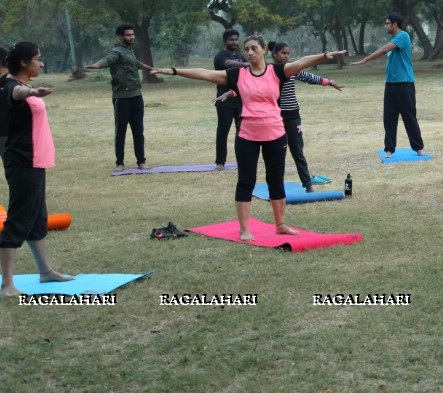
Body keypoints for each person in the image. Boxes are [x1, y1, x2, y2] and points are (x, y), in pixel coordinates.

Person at [152, 37, 347, 240]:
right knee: (246, 181)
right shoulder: (237, 74)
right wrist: (174, 71)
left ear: (264, 50)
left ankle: (280, 225)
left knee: (276, 180)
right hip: (247, 135)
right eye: (247, 49)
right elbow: (205, 74)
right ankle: (244, 229)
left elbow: (301, 63)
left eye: (254, 48)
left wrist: (324, 56)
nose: (250, 52)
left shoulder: (277, 71)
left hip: (275, 134)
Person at [1, 42, 73, 297]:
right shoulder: (12, 87)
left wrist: (32, 91)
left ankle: (46, 271)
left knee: (37, 216)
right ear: (23, 62)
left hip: (36, 160)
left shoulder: (21, 86)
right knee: (19, 218)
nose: (41, 63)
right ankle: (7, 284)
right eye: (37, 59)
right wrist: (32, 93)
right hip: (23, 160)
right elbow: (17, 94)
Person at [266, 41, 343, 192]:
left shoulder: (291, 69)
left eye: (288, 53)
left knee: (297, 151)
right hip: (275, 117)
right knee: (276, 153)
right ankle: (276, 186)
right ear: (274, 54)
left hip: (293, 116)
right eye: (283, 53)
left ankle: (308, 184)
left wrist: (329, 82)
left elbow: (309, 77)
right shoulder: (268, 70)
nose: (286, 56)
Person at [352, 13, 426, 158]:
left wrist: (365, 60)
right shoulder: (395, 40)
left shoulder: (403, 36)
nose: (385, 26)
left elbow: (384, 50)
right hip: (391, 85)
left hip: (404, 83)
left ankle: (418, 148)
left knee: (409, 117)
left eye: (387, 23)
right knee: (389, 118)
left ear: (395, 24)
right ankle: (389, 149)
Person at [84, 24, 153, 173]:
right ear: (121, 37)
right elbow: (107, 60)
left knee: (138, 131)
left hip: (136, 96)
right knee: (120, 131)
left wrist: (151, 68)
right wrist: (97, 65)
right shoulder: (116, 52)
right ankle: (119, 163)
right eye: (128, 35)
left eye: (133, 34)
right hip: (122, 98)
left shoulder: (129, 51)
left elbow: (137, 64)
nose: (132, 37)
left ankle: (141, 161)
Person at [213, 29, 246, 170]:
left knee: (242, 132)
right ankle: (220, 162)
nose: (234, 42)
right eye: (231, 40)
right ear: (225, 41)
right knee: (223, 131)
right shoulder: (220, 55)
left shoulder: (241, 56)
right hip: (224, 100)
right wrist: (245, 65)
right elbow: (228, 64)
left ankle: (243, 161)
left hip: (240, 100)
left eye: (236, 40)